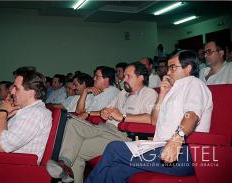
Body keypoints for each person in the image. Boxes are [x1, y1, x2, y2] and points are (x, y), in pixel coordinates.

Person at [85, 50, 213, 183]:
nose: (168, 72)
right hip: (160, 147)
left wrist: (177, 140)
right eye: (168, 68)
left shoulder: (193, 84)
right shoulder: (173, 90)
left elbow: (192, 116)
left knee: (114, 148)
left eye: (173, 67)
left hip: (184, 153)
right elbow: (155, 120)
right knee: (116, 171)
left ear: (188, 68)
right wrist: (162, 94)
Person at [46, 62, 158, 183]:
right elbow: (107, 110)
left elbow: (151, 118)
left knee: (75, 150)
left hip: (122, 135)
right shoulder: (123, 93)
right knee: (73, 124)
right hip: (105, 128)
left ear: (141, 77)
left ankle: (64, 164)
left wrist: (123, 117)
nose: (124, 79)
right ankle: (65, 164)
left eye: (128, 76)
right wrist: (102, 112)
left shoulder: (149, 93)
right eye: (124, 75)